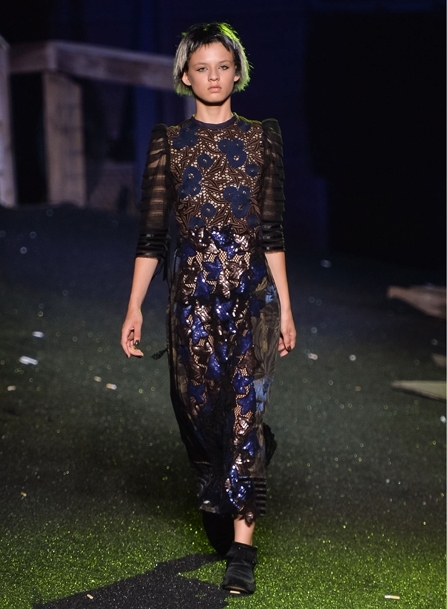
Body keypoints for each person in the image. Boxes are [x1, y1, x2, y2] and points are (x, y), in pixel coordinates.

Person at [121, 22, 296, 596]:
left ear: (238, 72)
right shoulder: (169, 143)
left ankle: (243, 551)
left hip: (253, 299)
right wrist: (134, 308)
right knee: (196, 416)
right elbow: (152, 235)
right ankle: (228, 472)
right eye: (202, 68)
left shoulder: (263, 138)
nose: (214, 77)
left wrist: (285, 307)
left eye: (223, 66)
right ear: (185, 76)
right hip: (192, 301)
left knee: (242, 411)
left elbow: (272, 232)